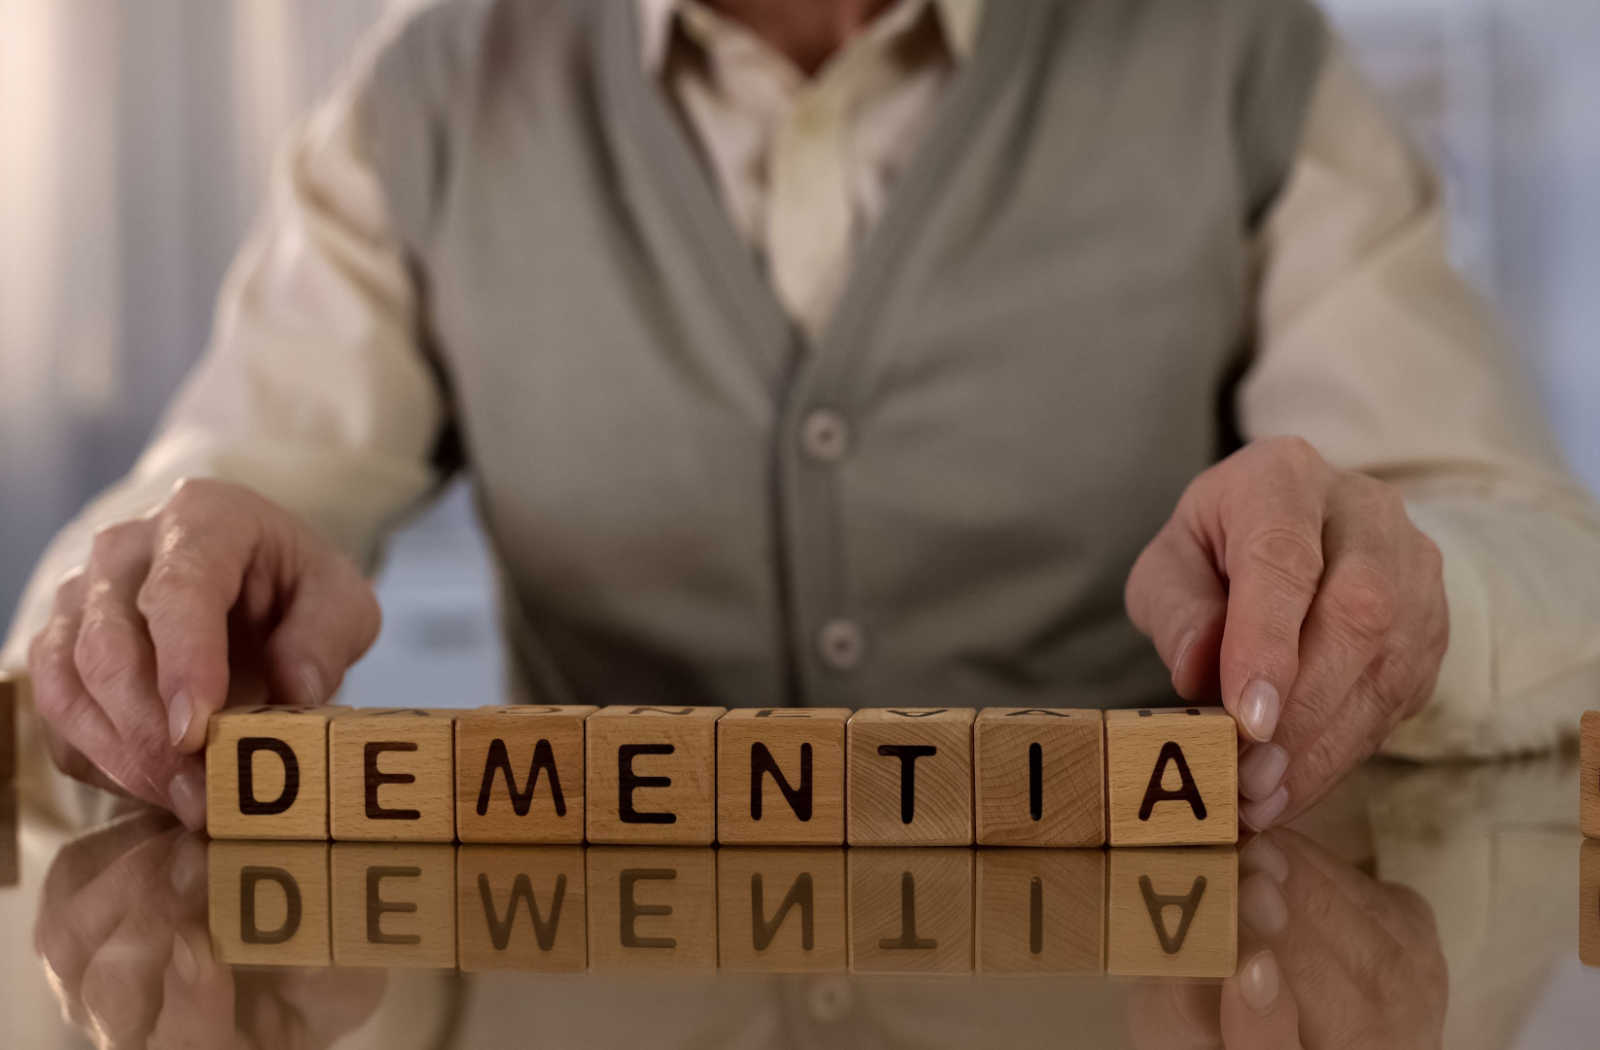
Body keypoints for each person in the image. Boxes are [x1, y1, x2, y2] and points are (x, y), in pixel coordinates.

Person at [4, 0, 1600, 835]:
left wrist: (1401, 596)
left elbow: (1548, 572)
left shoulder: (1237, 53)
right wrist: (138, 617)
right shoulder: (425, 94)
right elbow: (169, 519)